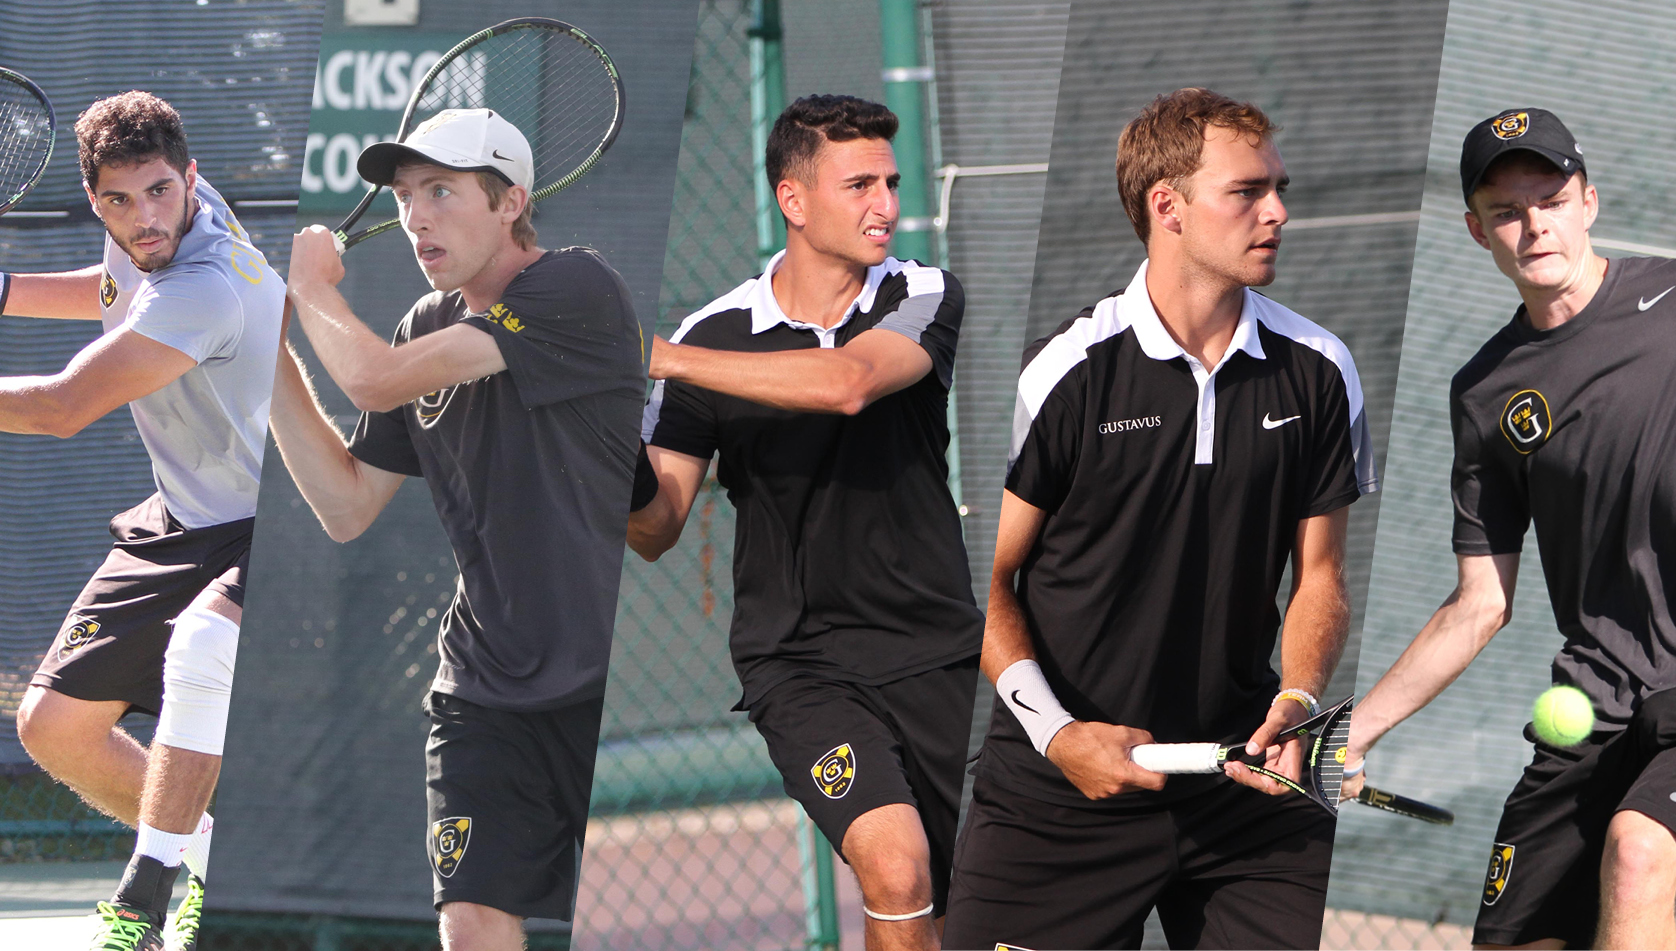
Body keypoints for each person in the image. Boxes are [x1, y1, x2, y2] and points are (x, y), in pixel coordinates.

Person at [941, 87, 1379, 950]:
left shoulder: (1320, 369)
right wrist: (1059, 734)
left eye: (1277, 187)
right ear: (1166, 206)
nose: (1278, 213)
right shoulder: (1067, 375)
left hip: (1243, 790)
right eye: (1247, 192)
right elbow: (983, 581)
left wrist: (1297, 699)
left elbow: (1319, 575)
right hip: (1060, 794)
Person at [270, 107, 643, 951]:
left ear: (511, 201)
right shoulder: (423, 323)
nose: (416, 216)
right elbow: (346, 503)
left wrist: (309, 287)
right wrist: (271, 359)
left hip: (596, 685)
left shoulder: (576, 288)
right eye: (405, 196)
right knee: (471, 926)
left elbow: (370, 381)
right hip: (483, 691)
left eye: (440, 190)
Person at [629, 94, 982, 951]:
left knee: (970, 912)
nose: (885, 206)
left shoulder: (920, 291)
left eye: (890, 183)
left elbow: (848, 383)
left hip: (941, 654)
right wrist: (596, 429)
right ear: (794, 199)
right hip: (801, 666)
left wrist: (651, 356)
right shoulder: (714, 334)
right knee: (896, 868)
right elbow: (655, 524)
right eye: (859, 183)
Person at [1345, 107, 1676, 950]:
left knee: (1639, 854)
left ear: (1589, 201)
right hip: (1597, 701)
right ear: (1476, 230)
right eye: (1506, 210)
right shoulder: (1485, 392)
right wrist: (1354, 731)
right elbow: (1480, 602)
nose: (1534, 225)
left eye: (1551, 199)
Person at [0, 91, 281, 950]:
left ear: (190, 178)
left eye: (159, 192)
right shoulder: (149, 234)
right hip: (183, 515)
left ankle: (150, 891)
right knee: (54, 728)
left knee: (201, 651)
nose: (144, 216)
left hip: (269, 525)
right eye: (119, 200)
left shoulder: (203, 288)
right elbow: (114, 288)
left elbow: (60, 407)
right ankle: (215, 851)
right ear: (94, 199)